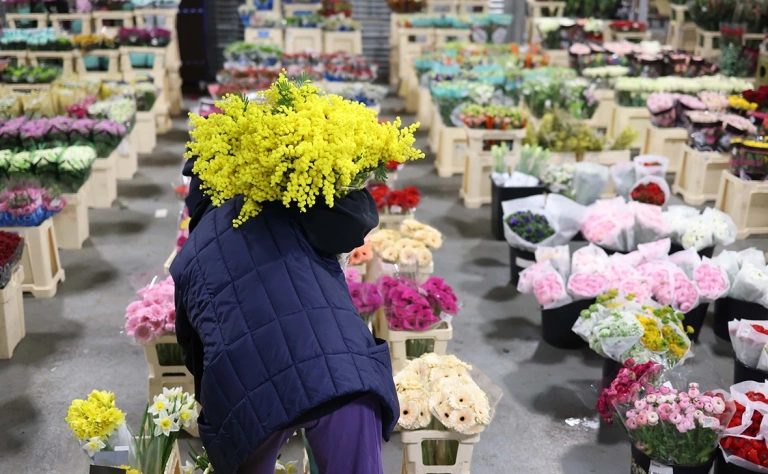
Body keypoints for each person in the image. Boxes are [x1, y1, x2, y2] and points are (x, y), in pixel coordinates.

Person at [171, 157, 399, 474]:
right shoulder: (292, 201)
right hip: (343, 371)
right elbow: (352, 222)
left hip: (247, 392)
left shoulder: (189, 256)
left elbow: (193, 352)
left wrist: (217, 417)